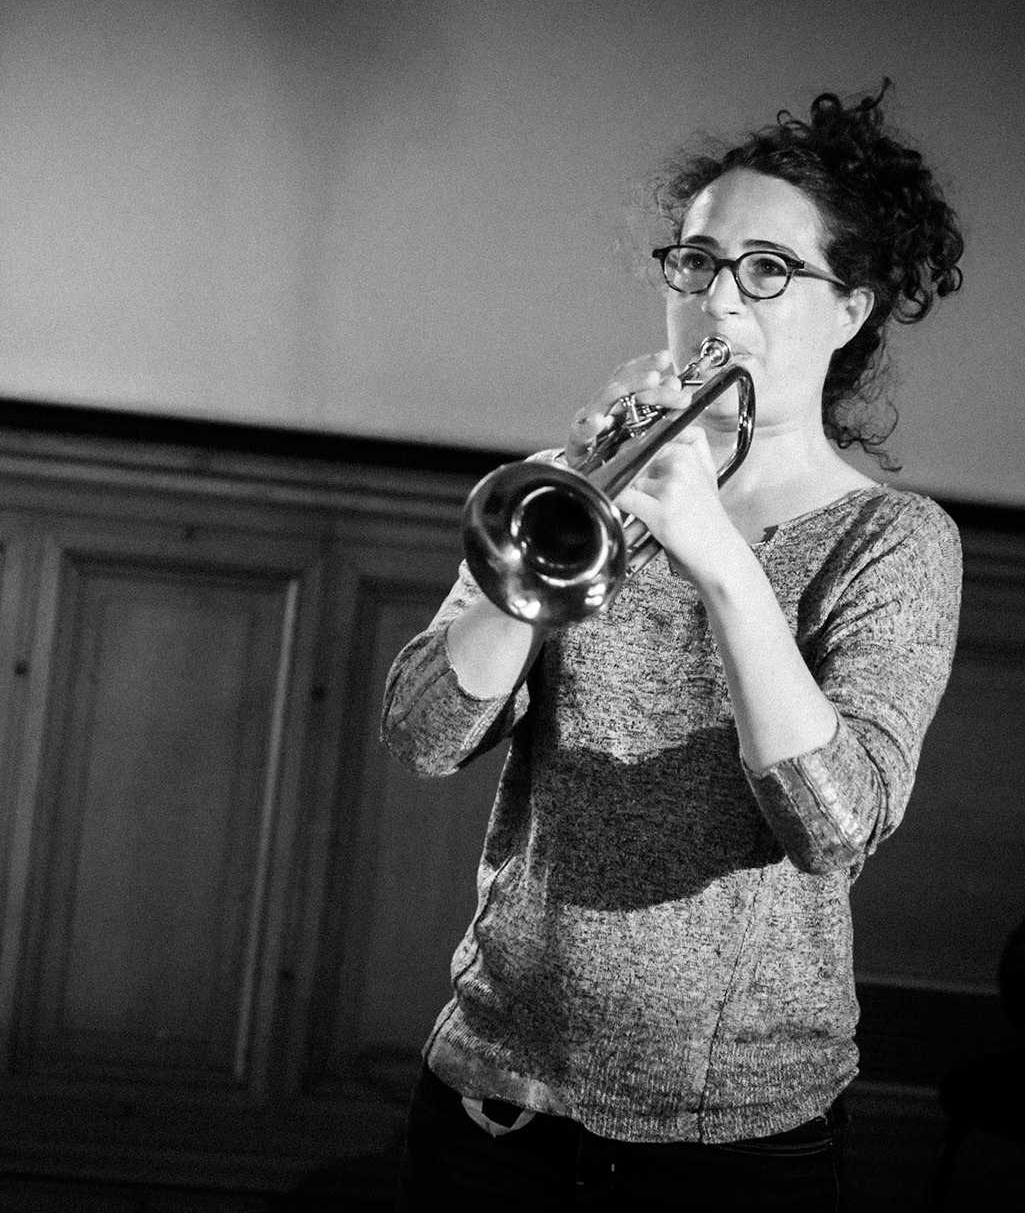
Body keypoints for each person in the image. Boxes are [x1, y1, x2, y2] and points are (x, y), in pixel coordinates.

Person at [380, 83, 967, 1211]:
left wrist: (718, 553)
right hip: (495, 1093)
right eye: (696, 261)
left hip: (733, 1137)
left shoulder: (895, 542)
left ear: (852, 307)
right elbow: (424, 731)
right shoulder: (572, 485)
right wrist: (564, 529)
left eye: (767, 268)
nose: (718, 299)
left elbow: (835, 824)